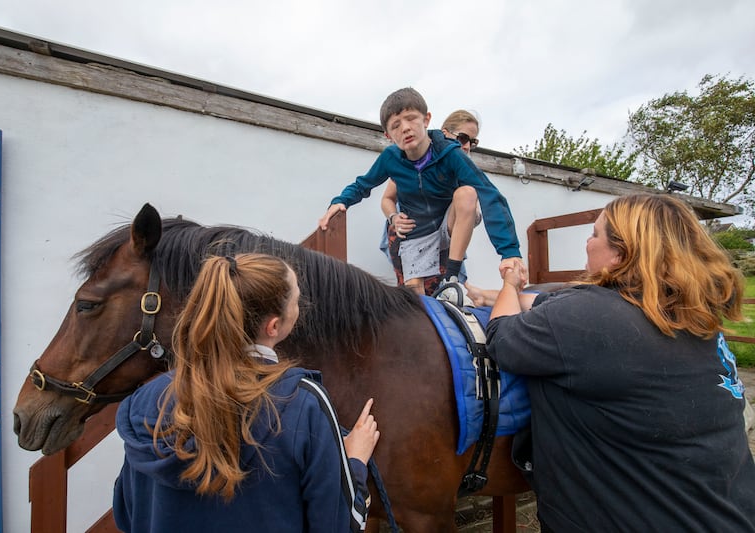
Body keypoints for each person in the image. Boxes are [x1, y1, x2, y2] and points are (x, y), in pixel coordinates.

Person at [485, 193, 755, 532]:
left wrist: (508, 285)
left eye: (595, 234)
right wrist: (515, 295)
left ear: (621, 253)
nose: (587, 242)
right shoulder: (692, 313)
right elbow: (562, 301)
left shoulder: (587, 318)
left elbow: (502, 336)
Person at [113, 253, 380, 533]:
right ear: (274, 326)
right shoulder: (304, 403)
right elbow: (339, 525)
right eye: (296, 301)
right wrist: (354, 463)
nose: (299, 307)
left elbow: (126, 514)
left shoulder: (144, 402)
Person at [318, 88, 526, 306]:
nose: (405, 128)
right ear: (389, 135)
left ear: (426, 119)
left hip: (447, 226)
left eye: (411, 119)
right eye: (396, 126)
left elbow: (488, 192)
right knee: (417, 302)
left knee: (467, 193)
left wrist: (509, 251)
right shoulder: (391, 159)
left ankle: (451, 278)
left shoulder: (450, 154)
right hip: (416, 232)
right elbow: (363, 184)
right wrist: (340, 201)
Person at [379, 109, 483, 295]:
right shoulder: (417, 160)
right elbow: (387, 198)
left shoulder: (462, 168)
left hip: (444, 240)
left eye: (472, 142)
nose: (467, 146)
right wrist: (393, 217)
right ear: (445, 133)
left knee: (459, 293)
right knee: (417, 295)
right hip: (411, 233)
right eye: (462, 138)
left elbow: (471, 211)